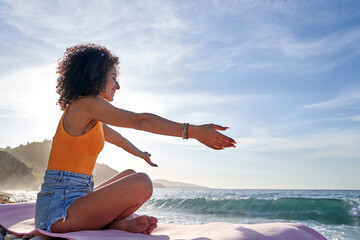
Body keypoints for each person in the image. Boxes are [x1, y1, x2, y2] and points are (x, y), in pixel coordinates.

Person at [35, 43, 237, 235]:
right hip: (57, 212)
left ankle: (115, 223)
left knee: (130, 174)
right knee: (142, 183)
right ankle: (115, 224)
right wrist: (193, 132)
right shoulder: (86, 105)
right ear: (95, 76)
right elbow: (140, 121)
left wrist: (141, 154)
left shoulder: (90, 116)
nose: (118, 85)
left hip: (75, 198)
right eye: (113, 77)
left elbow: (119, 140)